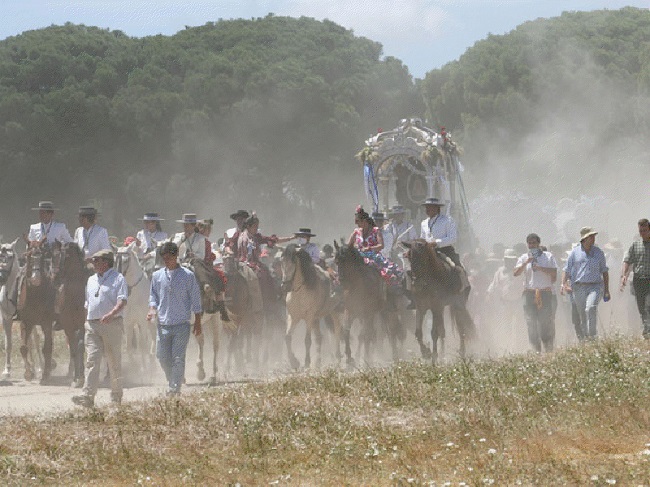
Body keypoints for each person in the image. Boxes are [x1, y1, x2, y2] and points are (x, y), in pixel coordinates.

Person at [72, 249, 128, 408]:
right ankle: (88, 396)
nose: (93, 263)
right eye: (93, 260)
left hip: (112, 324)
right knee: (92, 360)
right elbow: (87, 304)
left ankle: (116, 395)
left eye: (97, 260)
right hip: (92, 324)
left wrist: (111, 314)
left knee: (113, 361)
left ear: (106, 262)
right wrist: (85, 323)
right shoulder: (90, 280)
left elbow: (122, 301)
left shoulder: (118, 278)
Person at [147, 241, 202, 396]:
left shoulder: (188, 276)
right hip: (163, 324)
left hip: (181, 325)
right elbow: (153, 296)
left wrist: (197, 321)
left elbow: (196, 300)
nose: (166, 260)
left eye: (169, 256)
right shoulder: (157, 276)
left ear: (176, 255)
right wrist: (152, 309)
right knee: (162, 357)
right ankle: (173, 379)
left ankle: (174, 389)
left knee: (178, 358)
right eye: (163, 257)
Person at [562, 227, 610, 340]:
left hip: (595, 286)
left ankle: (592, 335)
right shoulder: (574, 252)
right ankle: (585, 339)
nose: (593, 238)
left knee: (591, 308)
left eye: (593, 236)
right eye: (590, 236)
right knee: (582, 314)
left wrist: (606, 289)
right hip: (579, 287)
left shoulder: (598, 252)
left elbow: (604, 271)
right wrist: (563, 283)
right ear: (584, 239)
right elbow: (567, 269)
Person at [513, 233, 558, 353]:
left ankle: (548, 347)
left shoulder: (548, 256)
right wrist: (526, 263)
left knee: (544, 321)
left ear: (538, 243)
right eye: (529, 243)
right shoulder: (524, 257)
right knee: (530, 321)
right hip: (529, 293)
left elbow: (554, 273)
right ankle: (535, 349)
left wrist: (540, 268)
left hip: (545, 293)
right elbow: (516, 273)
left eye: (534, 243)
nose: (532, 245)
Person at [347, 205, 402, 286]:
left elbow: (381, 245)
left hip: (373, 257)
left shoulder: (375, 231)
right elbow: (349, 245)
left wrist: (369, 248)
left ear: (364, 221)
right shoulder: (356, 232)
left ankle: (389, 289)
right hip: (359, 257)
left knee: (385, 272)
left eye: (358, 221)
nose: (356, 224)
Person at [620, 218, 650, 339]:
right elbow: (627, 260)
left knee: (648, 305)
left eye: (645, 230)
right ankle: (646, 327)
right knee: (641, 306)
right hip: (639, 280)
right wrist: (624, 275)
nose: (642, 233)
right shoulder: (635, 245)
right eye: (640, 230)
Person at [419, 197, 460, 266]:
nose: (427, 209)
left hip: (445, 251)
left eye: (430, 207)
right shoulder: (424, 223)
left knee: (456, 268)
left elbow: (453, 238)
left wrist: (436, 242)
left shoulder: (447, 220)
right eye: (426, 207)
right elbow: (422, 239)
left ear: (436, 208)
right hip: (428, 253)